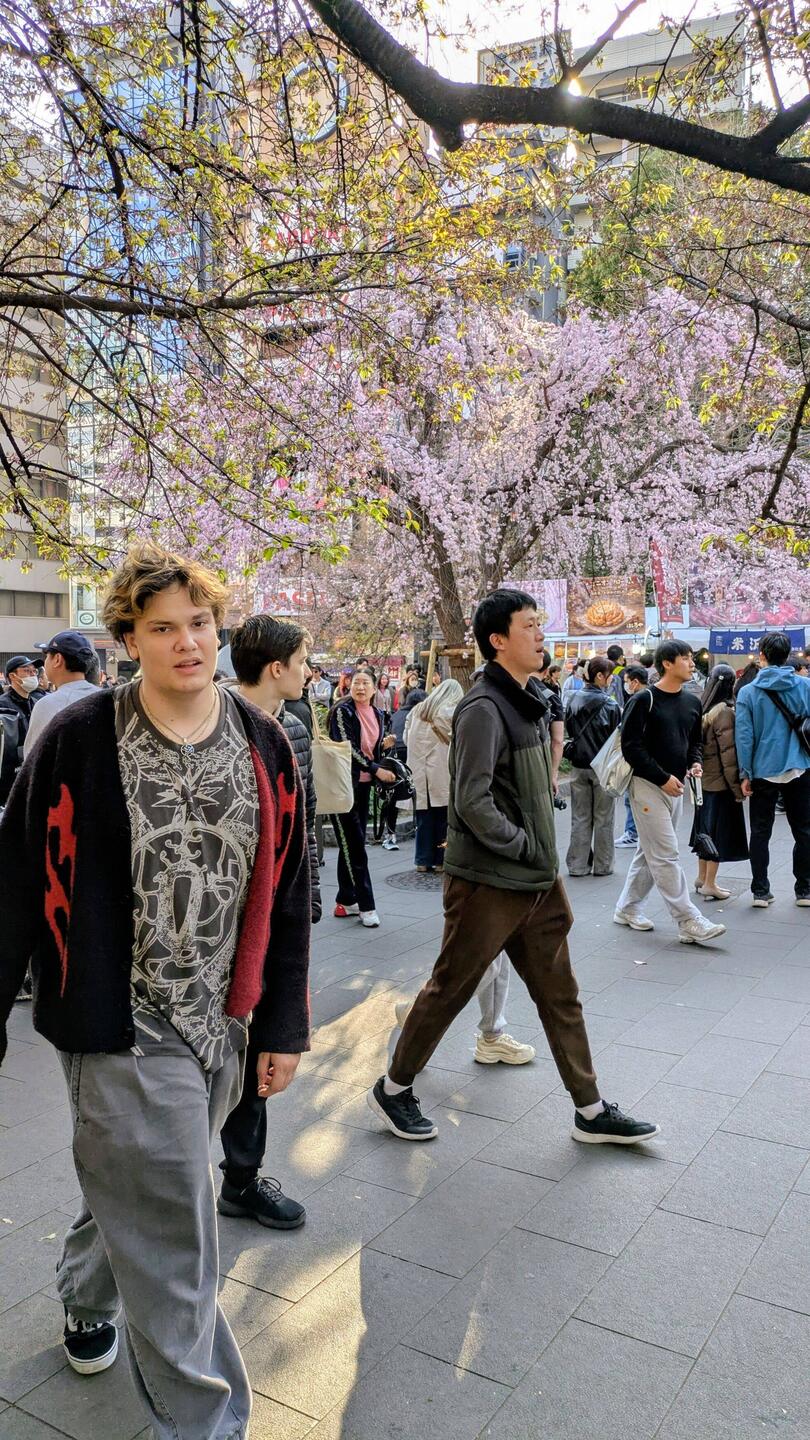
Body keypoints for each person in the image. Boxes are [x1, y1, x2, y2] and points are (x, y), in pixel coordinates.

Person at [0, 541, 311, 1440]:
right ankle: (207, 1424)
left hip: (223, 1020)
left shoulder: (263, 743)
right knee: (180, 1234)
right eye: (161, 628)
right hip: (118, 1023)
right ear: (129, 640)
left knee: (143, 1182)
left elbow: (288, 891)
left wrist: (281, 1020)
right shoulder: (80, 736)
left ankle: (83, 1293)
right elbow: (17, 877)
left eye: (200, 623)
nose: (186, 642)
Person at [368, 588, 660, 1146]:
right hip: (489, 881)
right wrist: (525, 845)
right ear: (497, 639)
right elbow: (470, 800)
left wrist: (538, 858)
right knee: (450, 988)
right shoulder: (483, 707)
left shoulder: (531, 699)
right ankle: (394, 1088)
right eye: (529, 626)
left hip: (536, 883)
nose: (540, 635)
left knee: (560, 994)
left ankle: (591, 1110)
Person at [218, 613, 322, 1231]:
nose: (309, 672)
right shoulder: (219, 725)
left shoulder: (297, 729)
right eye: (304, 661)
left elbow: (299, 834)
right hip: (222, 923)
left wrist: (304, 899)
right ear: (276, 668)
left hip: (279, 919)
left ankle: (241, 1177)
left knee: (264, 1050)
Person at [614, 639, 726, 945]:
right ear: (667, 663)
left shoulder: (692, 701)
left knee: (649, 851)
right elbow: (631, 747)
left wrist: (695, 764)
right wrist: (662, 777)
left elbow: (694, 743)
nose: (692, 664)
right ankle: (688, 919)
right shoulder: (644, 699)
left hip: (675, 787)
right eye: (686, 658)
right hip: (647, 786)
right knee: (665, 854)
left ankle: (627, 908)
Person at [735, 630, 810, 907]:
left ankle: (760, 891)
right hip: (800, 766)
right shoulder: (805, 686)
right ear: (788, 654)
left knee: (760, 832)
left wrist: (745, 773)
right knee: (804, 831)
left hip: (762, 769)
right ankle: (804, 890)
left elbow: (744, 737)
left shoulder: (748, 691)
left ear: (762, 656)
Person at [329, 669, 396, 925]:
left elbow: (370, 749)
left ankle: (345, 900)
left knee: (351, 843)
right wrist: (376, 768)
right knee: (356, 846)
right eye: (356, 682)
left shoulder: (378, 714)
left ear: (374, 687)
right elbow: (348, 749)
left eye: (365, 682)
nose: (360, 687)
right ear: (348, 685)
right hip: (344, 786)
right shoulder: (342, 711)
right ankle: (367, 906)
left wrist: (384, 747)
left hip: (364, 786)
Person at [691, 663, 748, 901]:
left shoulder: (703, 709)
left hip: (703, 782)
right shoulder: (725, 712)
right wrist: (738, 789)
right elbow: (729, 755)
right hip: (720, 785)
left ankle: (701, 877)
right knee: (717, 834)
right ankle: (710, 884)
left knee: (704, 831)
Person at [564, 656, 621, 877]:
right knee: (604, 818)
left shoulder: (573, 700)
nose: (611, 679)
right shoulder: (611, 704)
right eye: (609, 675)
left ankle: (577, 866)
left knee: (579, 817)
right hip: (603, 768)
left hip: (578, 766)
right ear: (600, 676)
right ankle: (603, 865)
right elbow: (618, 738)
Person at [405, 678, 463, 872]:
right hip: (441, 772)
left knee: (423, 819)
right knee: (443, 820)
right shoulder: (450, 712)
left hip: (419, 772)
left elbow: (406, 738)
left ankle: (422, 860)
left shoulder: (417, 711)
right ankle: (440, 860)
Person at [23, 631, 99, 756]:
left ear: (57, 659)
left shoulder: (47, 705)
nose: (45, 661)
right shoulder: (108, 698)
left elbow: (33, 762)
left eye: (47, 656)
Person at [615, 664, 649, 848]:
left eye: (627, 681)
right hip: (646, 757)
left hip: (637, 758)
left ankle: (633, 833)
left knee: (632, 799)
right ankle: (635, 832)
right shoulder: (653, 696)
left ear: (635, 682)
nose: (625, 685)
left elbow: (627, 731)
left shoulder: (638, 700)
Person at [0, 655, 42, 802]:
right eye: (26, 671)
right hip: (9, 780)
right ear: (13, 676)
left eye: (34, 672)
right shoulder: (2, 705)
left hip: (34, 773)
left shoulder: (38, 703)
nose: (32, 675)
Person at [537, 650, 564, 794]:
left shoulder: (511, 691)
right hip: (542, 759)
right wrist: (553, 774)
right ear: (547, 670)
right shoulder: (552, 698)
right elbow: (558, 740)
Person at [606, 644, 626, 710]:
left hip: (606, 706)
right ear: (621, 657)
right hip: (620, 708)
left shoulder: (603, 669)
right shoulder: (624, 672)